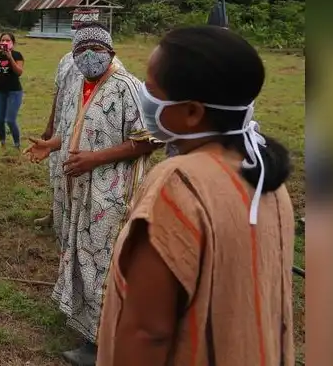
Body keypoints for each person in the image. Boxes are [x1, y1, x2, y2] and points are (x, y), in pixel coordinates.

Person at [96, 26, 296, 366]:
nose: (144, 96)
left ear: (192, 112)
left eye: (152, 90)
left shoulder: (178, 183)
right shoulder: (267, 176)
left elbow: (148, 331)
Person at [25, 23, 158, 365]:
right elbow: (72, 129)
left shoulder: (127, 87)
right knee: (81, 253)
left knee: (103, 262)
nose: (87, 58)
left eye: (95, 51)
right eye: (80, 52)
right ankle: (85, 323)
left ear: (110, 51)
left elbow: (149, 140)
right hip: (80, 190)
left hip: (110, 194)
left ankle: (102, 343)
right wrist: (51, 144)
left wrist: (93, 159)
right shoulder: (81, 85)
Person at [35, 10, 99, 228]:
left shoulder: (104, 62)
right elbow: (58, 92)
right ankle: (55, 214)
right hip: (63, 126)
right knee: (57, 170)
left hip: (89, 129)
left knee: (79, 173)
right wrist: (50, 125)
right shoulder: (66, 60)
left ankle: (78, 221)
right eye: (77, 30)